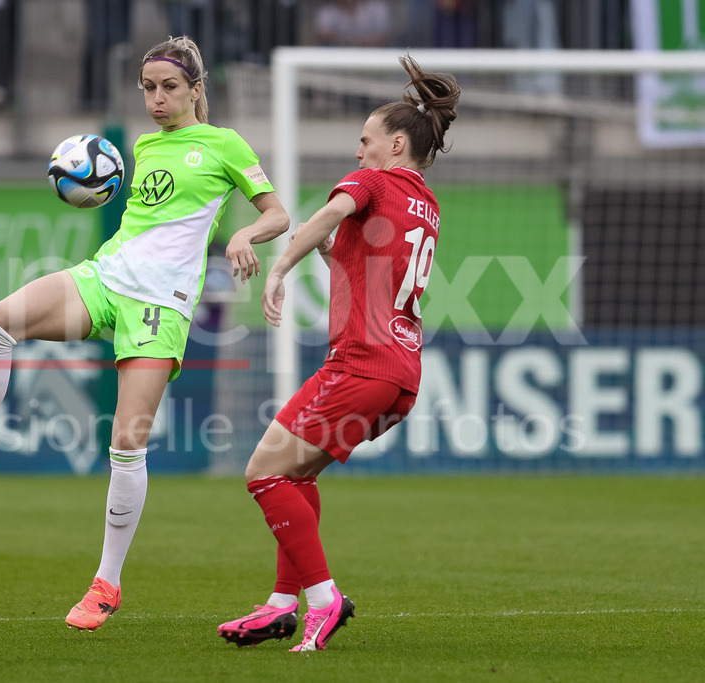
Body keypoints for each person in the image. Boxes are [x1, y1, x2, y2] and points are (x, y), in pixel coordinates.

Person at [0, 35, 290, 632]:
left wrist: (244, 236)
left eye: (168, 88)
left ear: (194, 89)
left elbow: (277, 213)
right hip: (106, 276)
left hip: (161, 305)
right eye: (147, 88)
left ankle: (106, 582)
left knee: (126, 444)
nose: (156, 100)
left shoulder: (223, 144)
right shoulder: (141, 145)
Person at [218, 54, 460, 652]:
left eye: (365, 140)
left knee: (263, 471)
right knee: (296, 474)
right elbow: (372, 271)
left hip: (360, 363)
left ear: (396, 144)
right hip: (401, 374)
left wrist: (280, 267)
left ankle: (322, 601)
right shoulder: (425, 204)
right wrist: (333, 254)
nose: (358, 152)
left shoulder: (374, 182)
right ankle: (279, 606)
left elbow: (329, 210)